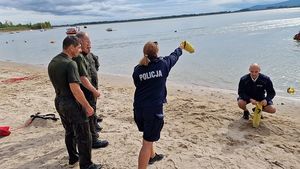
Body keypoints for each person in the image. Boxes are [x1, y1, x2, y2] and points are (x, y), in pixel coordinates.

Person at [48, 36, 101, 169]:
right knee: (84, 134)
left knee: (69, 131)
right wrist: (87, 106)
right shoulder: (70, 63)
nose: (79, 50)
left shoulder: (53, 61)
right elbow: (76, 89)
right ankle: (86, 164)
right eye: (77, 47)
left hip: (59, 100)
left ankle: (73, 157)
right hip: (71, 102)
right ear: (71, 48)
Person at [132, 41, 184, 169]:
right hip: (153, 109)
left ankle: (152, 156)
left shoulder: (137, 69)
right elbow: (174, 57)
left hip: (139, 109)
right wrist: (180, 48)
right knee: (146, 143)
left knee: (147, 136)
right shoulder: (163, 64)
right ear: (157, 52)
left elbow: (138, 84)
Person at [74, 32, 108, 149]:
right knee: (89, 113)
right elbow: (83, 78)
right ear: (79, 43)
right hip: (87, 91)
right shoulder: (78, 58)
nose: (89, 45)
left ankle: (94, 132)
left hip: (92, 89)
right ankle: (93, 140)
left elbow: (94, 68)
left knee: (92, 113)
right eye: (87, 42)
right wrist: (94, 90)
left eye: (90, 42)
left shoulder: (89, 55)